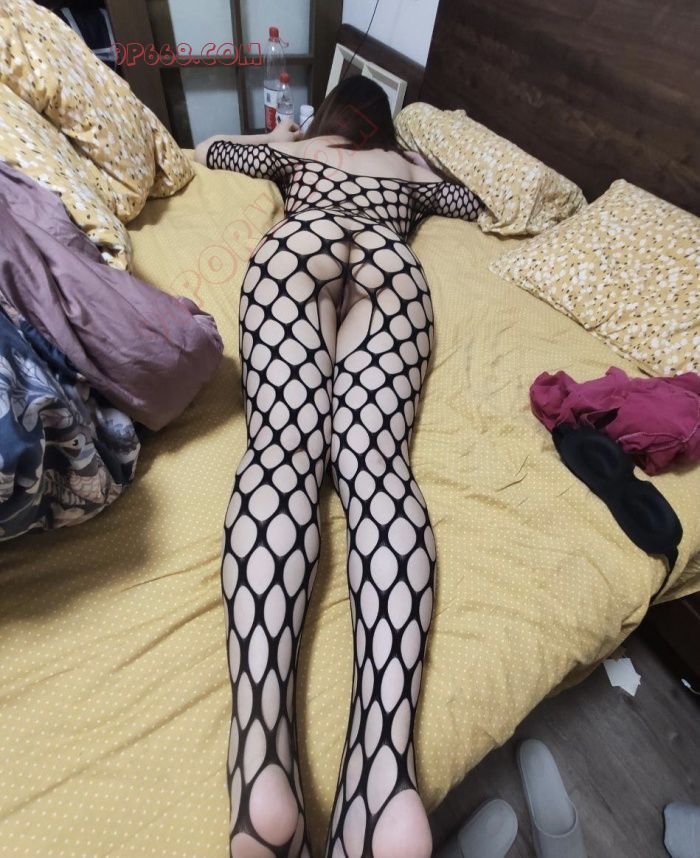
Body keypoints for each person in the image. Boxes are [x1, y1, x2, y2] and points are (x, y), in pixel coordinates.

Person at [194, 76, 482, 858]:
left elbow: (212, 151)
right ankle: (383, 772)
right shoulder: (407, 172)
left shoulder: (302, 150)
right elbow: (471, 203)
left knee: (282, 451)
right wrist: (420, 162)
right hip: (391, 267)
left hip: (301, 247)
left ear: (329, 116)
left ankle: (260, 751)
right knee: (380, 469)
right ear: (385, 127)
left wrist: (278, 141)